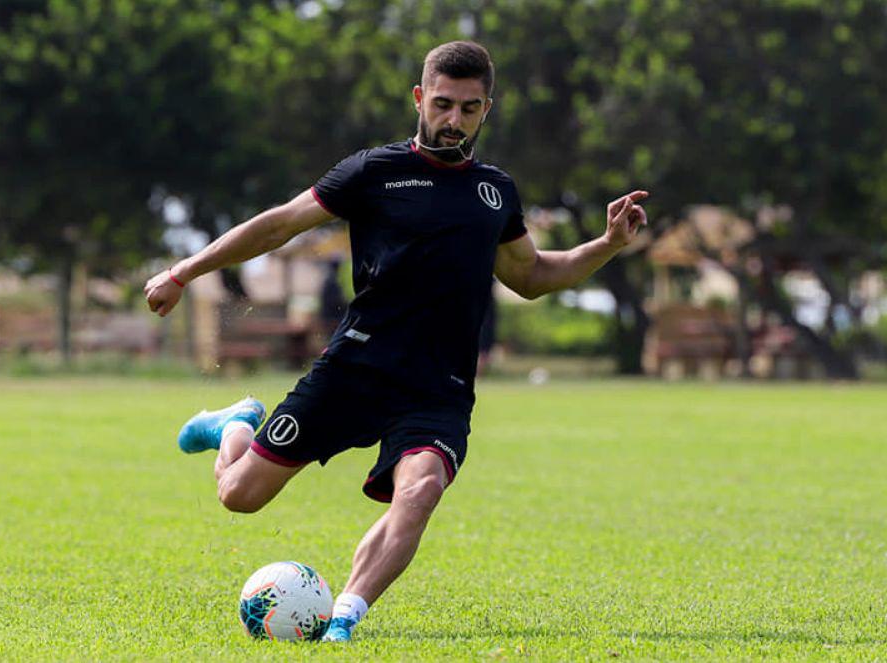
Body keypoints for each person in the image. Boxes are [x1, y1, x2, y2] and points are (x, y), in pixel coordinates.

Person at [143, 40, 648, 642]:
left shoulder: (495, 192)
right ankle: (234, 426)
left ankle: (346, 619)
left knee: (423, 487)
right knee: (239, 496)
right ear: (419, 98)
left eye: (468, 108)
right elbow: (277, 224)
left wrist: (608, 244)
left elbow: (532, 276)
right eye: (442, 104)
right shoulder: (373, 172)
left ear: (488, 108)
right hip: (357, 366)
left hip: (439, 386)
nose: (453, 120)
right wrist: (183, 271)